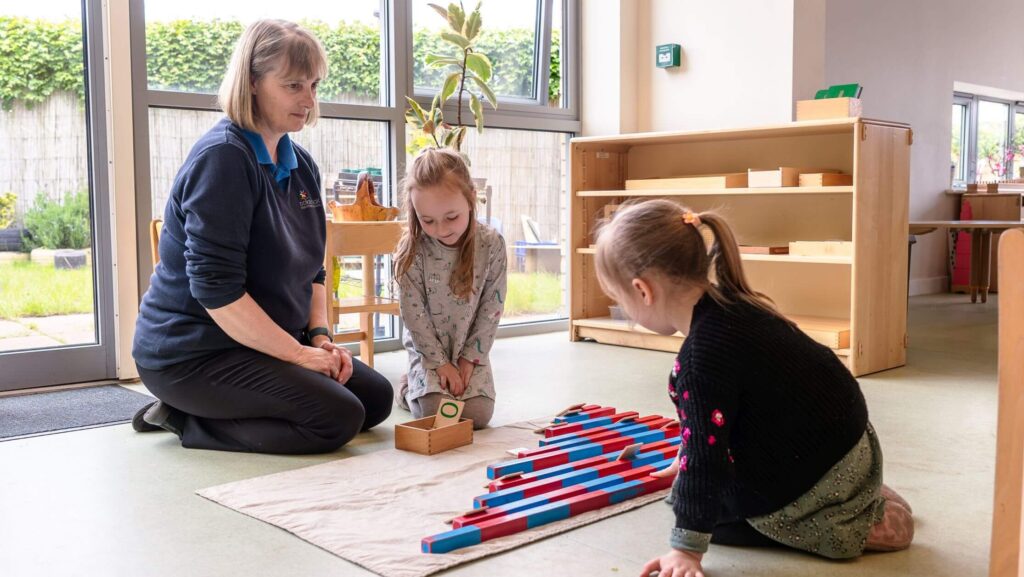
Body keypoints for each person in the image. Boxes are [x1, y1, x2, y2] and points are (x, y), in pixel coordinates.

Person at [591, 199, 913, 577]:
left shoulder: (700, 359)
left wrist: (686, 551)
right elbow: (739, 411)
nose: (627, 313)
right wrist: (687, 453)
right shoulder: (736, 303)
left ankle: (845, 517)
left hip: (815, 473)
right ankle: (853, 491)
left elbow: (708, 460)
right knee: (695, 492)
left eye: (621, 302)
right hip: (851, 448)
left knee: (717, 518)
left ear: (643, 291)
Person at [131, 19, 392, 454]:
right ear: (252, 83)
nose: (309, 100)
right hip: (194, 354)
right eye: (293, 86)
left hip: (263, 345)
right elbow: (217, 293)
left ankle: (234, 403)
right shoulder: (223, 161)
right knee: (337, 418)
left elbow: (315, 273)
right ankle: (183, 416)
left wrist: (320, 339)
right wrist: (299, 356)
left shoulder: (300, 164)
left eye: (313, 85)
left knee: (375, 400)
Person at [393, 148, 507, 429]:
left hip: (470, 348)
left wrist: (469, 360)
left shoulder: (491, 244)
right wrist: (440, 364)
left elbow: (491, 308)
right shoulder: (412, 251)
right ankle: (408, 389)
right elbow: (413, 317)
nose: (441, 230)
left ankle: (424, 384)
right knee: (436, 414)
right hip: (429, 351)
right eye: (427, 220)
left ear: (470, 198)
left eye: (451, 217)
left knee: (478, 416)